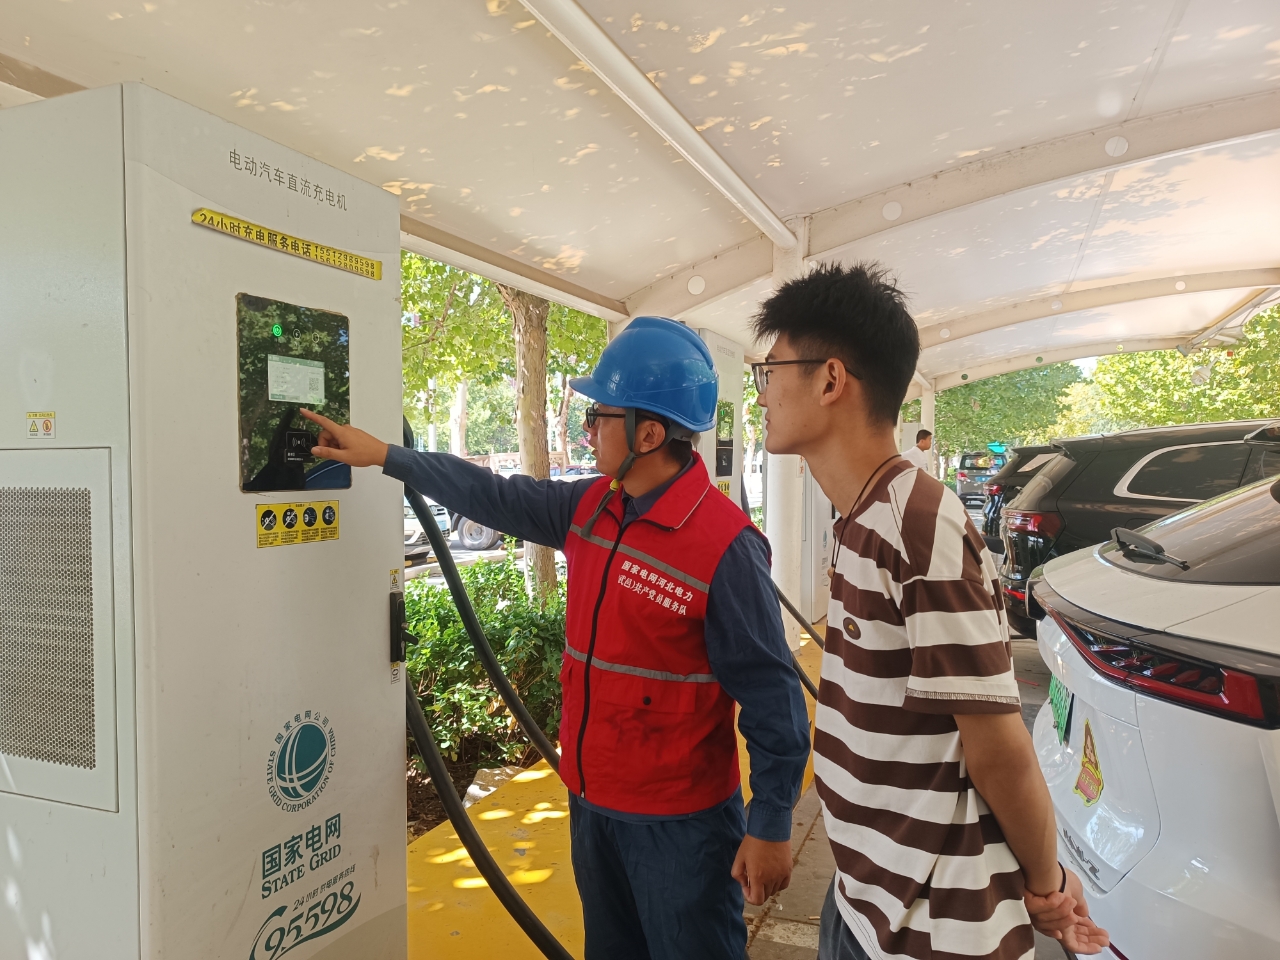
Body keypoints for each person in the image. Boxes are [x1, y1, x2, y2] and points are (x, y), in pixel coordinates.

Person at [301, 317, 810, 960]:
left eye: (599, 416)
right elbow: (492, 493)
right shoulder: (591, 506)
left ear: (649, 434)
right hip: (593, 807)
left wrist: (770, 824)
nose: (586, 430)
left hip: (682, 828)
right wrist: (386, 456)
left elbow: (774, 701)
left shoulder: (724, 547)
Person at [749, 263, 1109, 960]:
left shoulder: (919, 524)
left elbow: (998, 747)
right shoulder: (861, 518)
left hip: (933, 923)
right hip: (865, 893)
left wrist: (1047, 886)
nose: (761, 394)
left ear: (830, 380)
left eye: (771, 372)